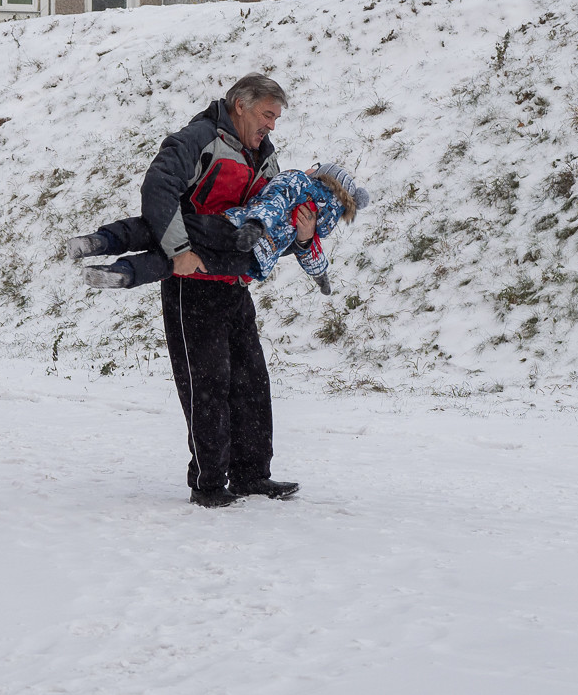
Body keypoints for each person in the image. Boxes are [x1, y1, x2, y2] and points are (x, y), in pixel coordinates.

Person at [83, 73, 303, 508]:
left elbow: (273, 214)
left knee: (251, 382)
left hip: (234, 284)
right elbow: (159, 188)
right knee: (208, 384)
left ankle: (251, 475)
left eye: (275, 119)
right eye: (267, 115)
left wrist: (300, 231)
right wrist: (179, 250)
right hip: (191, 284)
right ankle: (208, 484)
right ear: (240, 104)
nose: (271, 126)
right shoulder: (197, 138)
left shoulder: (264, 155)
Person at [69, 162, 369, 296]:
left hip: (232, 229)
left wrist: (254, 224)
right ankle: (124, 274)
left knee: (161, 229)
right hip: (248, 262)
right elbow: (311, 253)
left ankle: (102, 241)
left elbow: (275, 202)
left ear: (322, 176)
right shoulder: (318, 225)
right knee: (177, 264)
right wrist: (321, 279)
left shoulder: (300, 183)